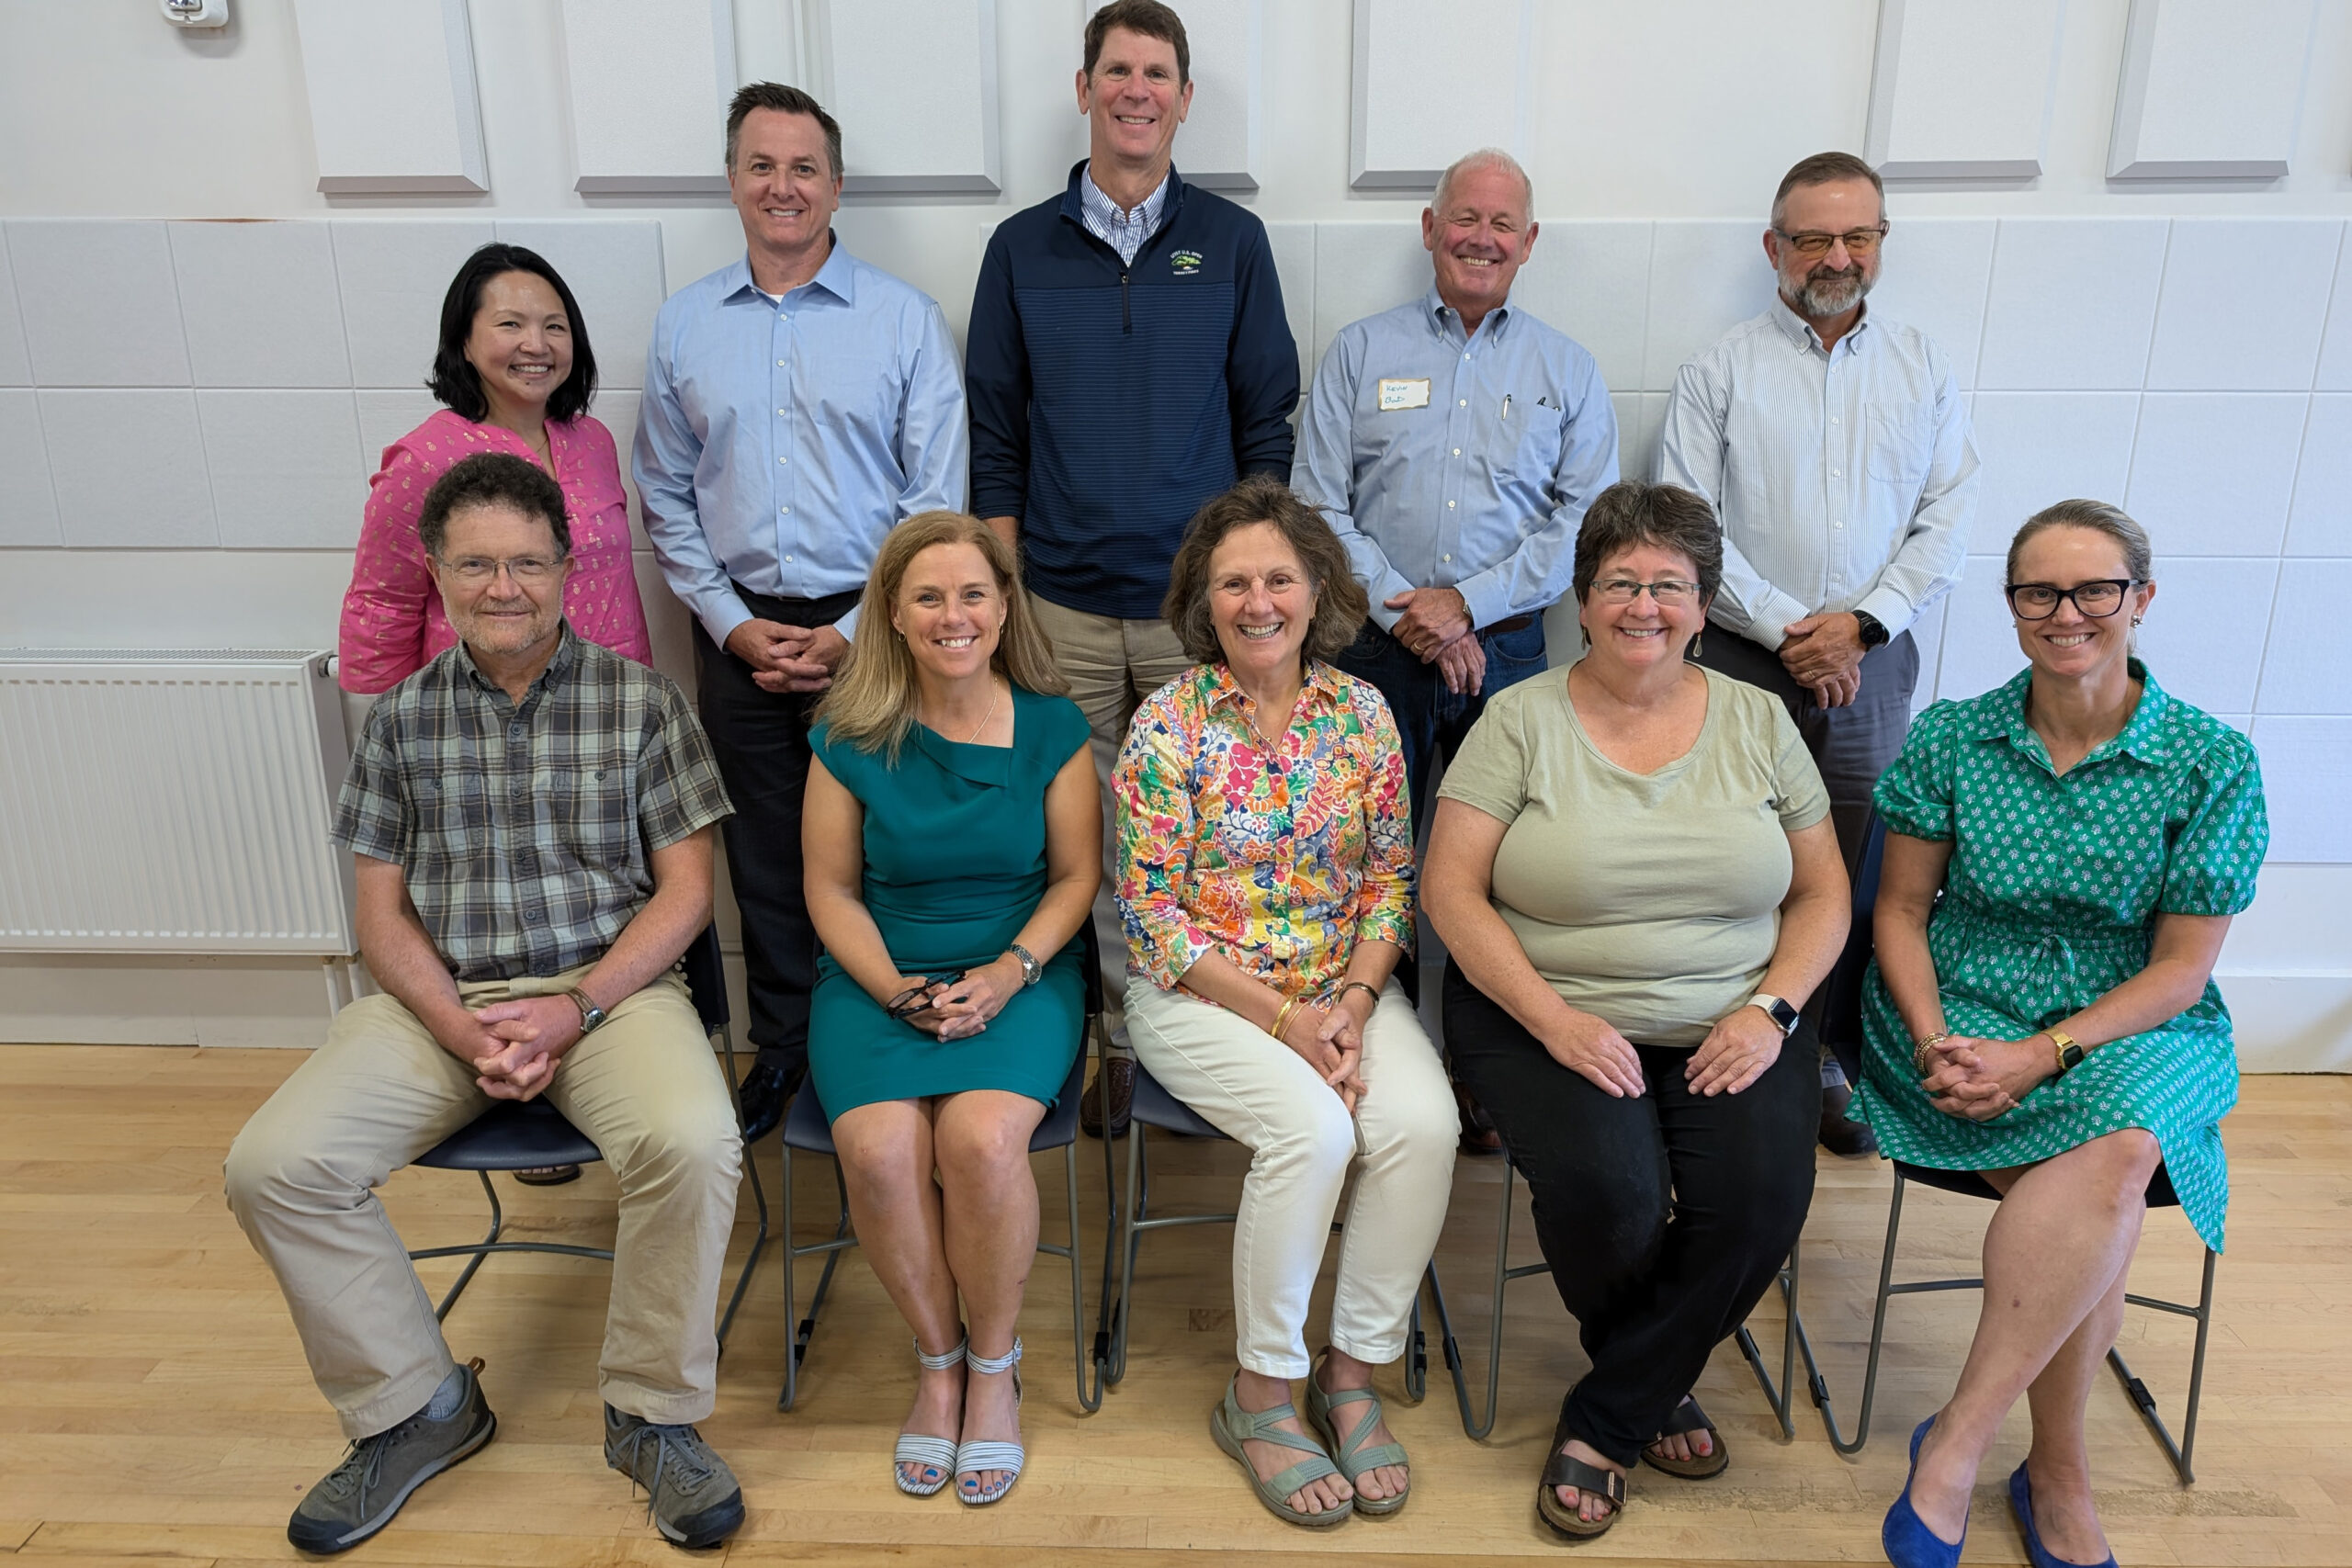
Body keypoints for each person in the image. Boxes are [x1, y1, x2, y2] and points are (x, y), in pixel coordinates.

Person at [225, 454, 744, 1554]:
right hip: (438, 1003)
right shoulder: (401, 721)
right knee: (273, 1165)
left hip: (610, 996)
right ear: (435, 571)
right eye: (474, 564)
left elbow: (688, 894)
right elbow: (380, 917)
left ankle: (653, 1418)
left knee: (695, 1142)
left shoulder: (643, 704)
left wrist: (576, 1010)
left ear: (567, 567)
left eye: (524, 562)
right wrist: (464, 1030)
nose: (501, 586)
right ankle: (416, 1407)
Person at [1422, 480, 1850, 1542]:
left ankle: (1611, 1411)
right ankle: (1647, 1395)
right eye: (1620, 582)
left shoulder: (1759, 721)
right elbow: (1449, 891)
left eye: (1670, 584)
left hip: (1732, 1015)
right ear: (1582, 598)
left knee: (1758, 1198)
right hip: (1542, 1010)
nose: (1644, 604)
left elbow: (1824, 893)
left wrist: (1773, 1012)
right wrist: (1553, 1020)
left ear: (1704, 606)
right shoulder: (1515, 720)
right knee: (1611, 1194)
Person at [1858, 501, 2267, 1568]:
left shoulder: (2209, 760)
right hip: (1956, 1005)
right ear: (2011, 607)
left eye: (2094, 590)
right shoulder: (1953, 734)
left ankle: (1959, 1441)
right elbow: (1898, 912)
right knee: (2105, 1190)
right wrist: (1938, 1036)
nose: (2066, 612)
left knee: (2123, 1142)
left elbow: (2182, 969)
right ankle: (2057, 1476)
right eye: (2038, 592)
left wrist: (2043, 1055)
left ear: (2141, 599)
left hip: (2134, 1016)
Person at [967, 0, 1300, 1137]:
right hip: (1058, 604)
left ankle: (1216, 1031)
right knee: (1089, 841)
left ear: (1184, 98)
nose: (1136, 91)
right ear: (1085, 88)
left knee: (1210, 834)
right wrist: (1005, 589)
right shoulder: (1019, 248)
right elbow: (994, 431)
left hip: (1194, 616)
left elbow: (1267, 419)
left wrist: (1246, 581)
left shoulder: (1231, 241)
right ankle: (1115, 1042)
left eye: (1157, 73)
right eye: (1117, 70)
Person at [1114, 477, 1457, 1528]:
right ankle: (1259, 1392)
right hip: (1200, 995)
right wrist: (1286, 1020)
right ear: (1202, 602)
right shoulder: (1167, 721)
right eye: (1233, 583)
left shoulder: (1361, 714)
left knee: (1420, 1124)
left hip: (1339, 986)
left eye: (1277, 578)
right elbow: (1150, 913)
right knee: (1311, 1132)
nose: (1256, 601)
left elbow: (1391, 882)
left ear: (1317, 591)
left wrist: (1353, 1002)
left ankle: (1350, 1375)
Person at [637, 82, 967, 1145]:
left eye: (804, 168)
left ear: (836, 185)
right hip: (738, 630)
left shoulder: (903, 318)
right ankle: (789, 1049)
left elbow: (936, 492)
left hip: (877, 631)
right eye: (762, 166)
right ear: (733, 180)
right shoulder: (685, 323)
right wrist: (732, 625)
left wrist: (859, 632)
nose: (783, 187)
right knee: (768, 859)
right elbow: (667, 491)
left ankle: (891, 1037)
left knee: (891, 848)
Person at [1292, 144, 1618, 1153]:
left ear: (1528, 243)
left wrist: (1465, 608)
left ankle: (1481, 1076)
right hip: (1370, 650)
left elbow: (1586, 522)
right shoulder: (1358, 350)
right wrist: (1409, 615)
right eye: (1461, 219)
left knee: (1500, 872)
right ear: (1429, 229)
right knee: (1359, 860)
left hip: (1508, 651)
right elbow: (1315, 500)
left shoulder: (1567, 368)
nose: (1480, 237)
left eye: (1501, 224)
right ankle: (1358, 1052)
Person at [1657, 149, 1980, 1158]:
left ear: (1879, 244)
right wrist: (1795, 632)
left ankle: (1822, 1054)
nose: (1836, 256)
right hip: (1746, 654)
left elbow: (1947, 518)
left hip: (1873, 659)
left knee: (1850, 859)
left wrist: (1862, 624)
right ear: (1774, 248)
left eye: (1857, 236)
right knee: (1729, 851)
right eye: (1813, 238)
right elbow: (1686, 523)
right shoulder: (1720, 369)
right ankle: (1710, 1036)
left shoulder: (1921, 365)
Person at [801, 512, 1098, 1507]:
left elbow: (1075, 878)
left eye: (973, 592)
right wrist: (893, 989)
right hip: (878, 974)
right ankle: (937, 1362)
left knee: (976, 1143)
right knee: (882, 1152)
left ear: (1005, 606)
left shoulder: (1053, 726)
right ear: (891, 612)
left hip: (1020, 968)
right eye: (927, 596)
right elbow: (831, 892)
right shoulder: (847, 734)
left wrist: (1010, 971)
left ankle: (994, 1366)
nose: (952, 614)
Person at [339, 241, 650, 693]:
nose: (536, 345)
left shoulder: (593, 441)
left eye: (555, 327)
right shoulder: (424, 459)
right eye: (510, 324)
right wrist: (397, 729)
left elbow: (615, 583)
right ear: (463, 341)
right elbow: (385, 602)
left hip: (608, 695)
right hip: (478, 713)